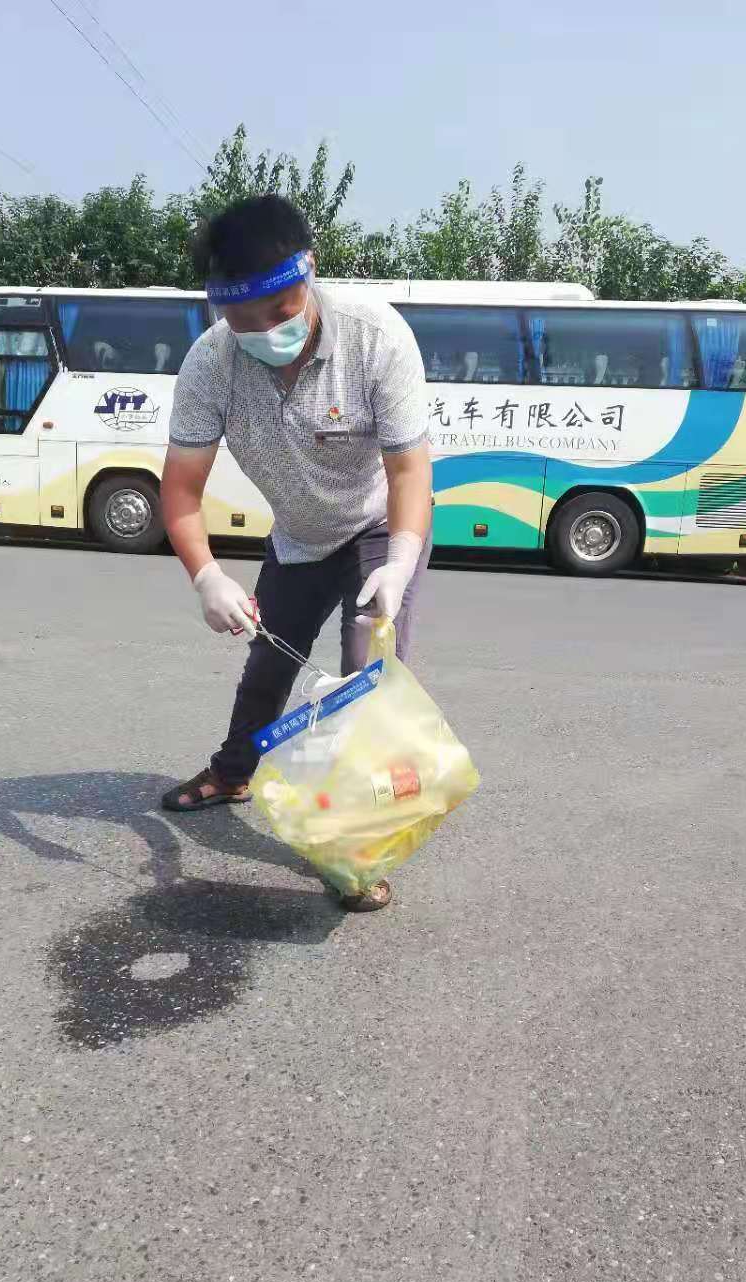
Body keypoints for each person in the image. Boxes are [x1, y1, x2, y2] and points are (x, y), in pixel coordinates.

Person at [159, 195, 433, 912]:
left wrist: (401, 562)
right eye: (241, 320)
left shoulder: (376, 336)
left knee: (362, 685)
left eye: (279, 312)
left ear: (307, 272)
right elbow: (180, 490)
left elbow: (410, 470)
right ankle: (232, 774)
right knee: (267, 669)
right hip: (299, 537)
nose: (262, 332)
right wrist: (206, 576)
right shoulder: (211, 363)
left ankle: (358, 846)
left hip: (379, 529)